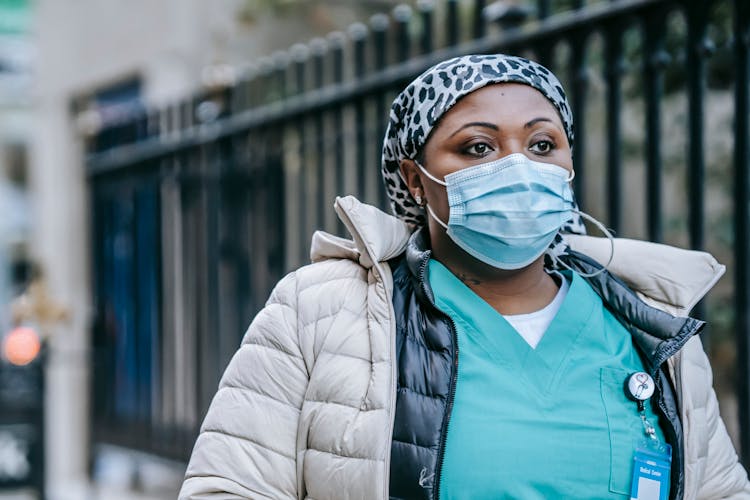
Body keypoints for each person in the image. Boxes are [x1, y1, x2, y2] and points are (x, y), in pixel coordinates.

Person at [179, 54, 750, 499]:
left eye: (542, 144)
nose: (518, 166)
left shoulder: (655, 331)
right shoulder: (320, 313)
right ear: (417, 177)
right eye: (478, 147)